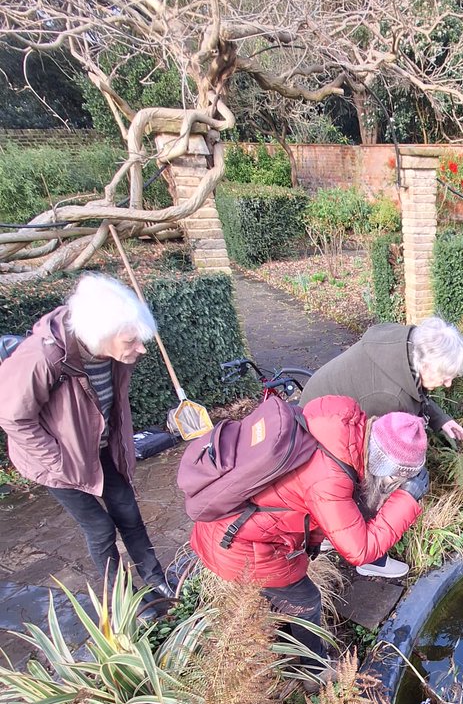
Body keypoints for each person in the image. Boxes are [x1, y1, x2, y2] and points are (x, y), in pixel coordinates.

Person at [190, 399, 428, 675]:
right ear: (384, 466)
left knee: (283, 593)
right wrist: (407, 499)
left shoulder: (344, 423)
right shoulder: (328, 479)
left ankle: (278, 631)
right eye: (398, 478)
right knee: (306, 600)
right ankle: (314, 671)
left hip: (242, 525)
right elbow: (360, 551)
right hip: (237, 545)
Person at [0, 272, 172, 612]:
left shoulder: (113, 353)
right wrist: (59, 463)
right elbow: (12, 417)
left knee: (129, 513)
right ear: (101, 334)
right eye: (131, 341)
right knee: (100, 527)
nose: (140, 349)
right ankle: (126, 603)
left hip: (100, 450)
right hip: (57, 461)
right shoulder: (44, 357)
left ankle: (157, 582)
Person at [298, 316, 463, 578]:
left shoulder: (405, 346)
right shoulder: (387, 397)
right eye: (446, 377)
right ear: (426, 363)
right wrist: (407, 493)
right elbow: (373, 465)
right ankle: (371, 560)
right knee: (371, 479)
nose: (448, 384)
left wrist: (441, 421)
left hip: (326, 412)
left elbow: (414, 391)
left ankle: (333, 530)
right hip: (321, 435)